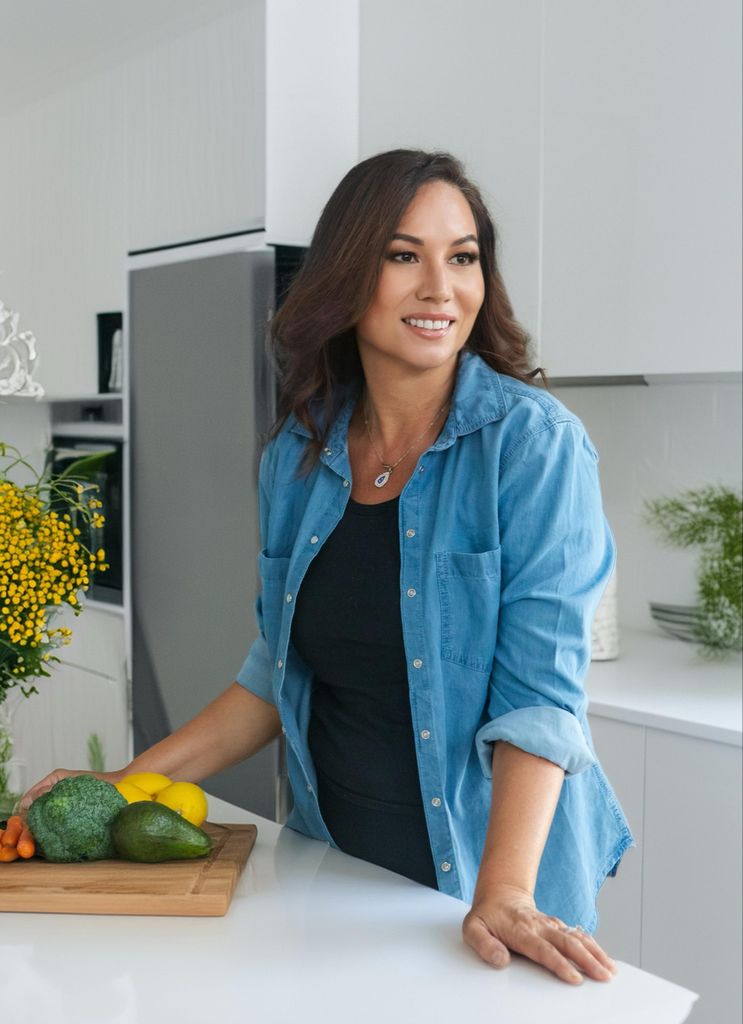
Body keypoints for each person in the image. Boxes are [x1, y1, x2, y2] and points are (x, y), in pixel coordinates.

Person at [23, 149, 634, 986]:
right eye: (401, 254)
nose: (439, 287)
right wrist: (121, 785)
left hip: (488, 885)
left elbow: (538, 701)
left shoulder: (532, 446)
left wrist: (502, 893)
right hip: (335, 870)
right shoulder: (299, 456)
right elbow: (277, 672)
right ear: (348, 274)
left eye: (462, 257)